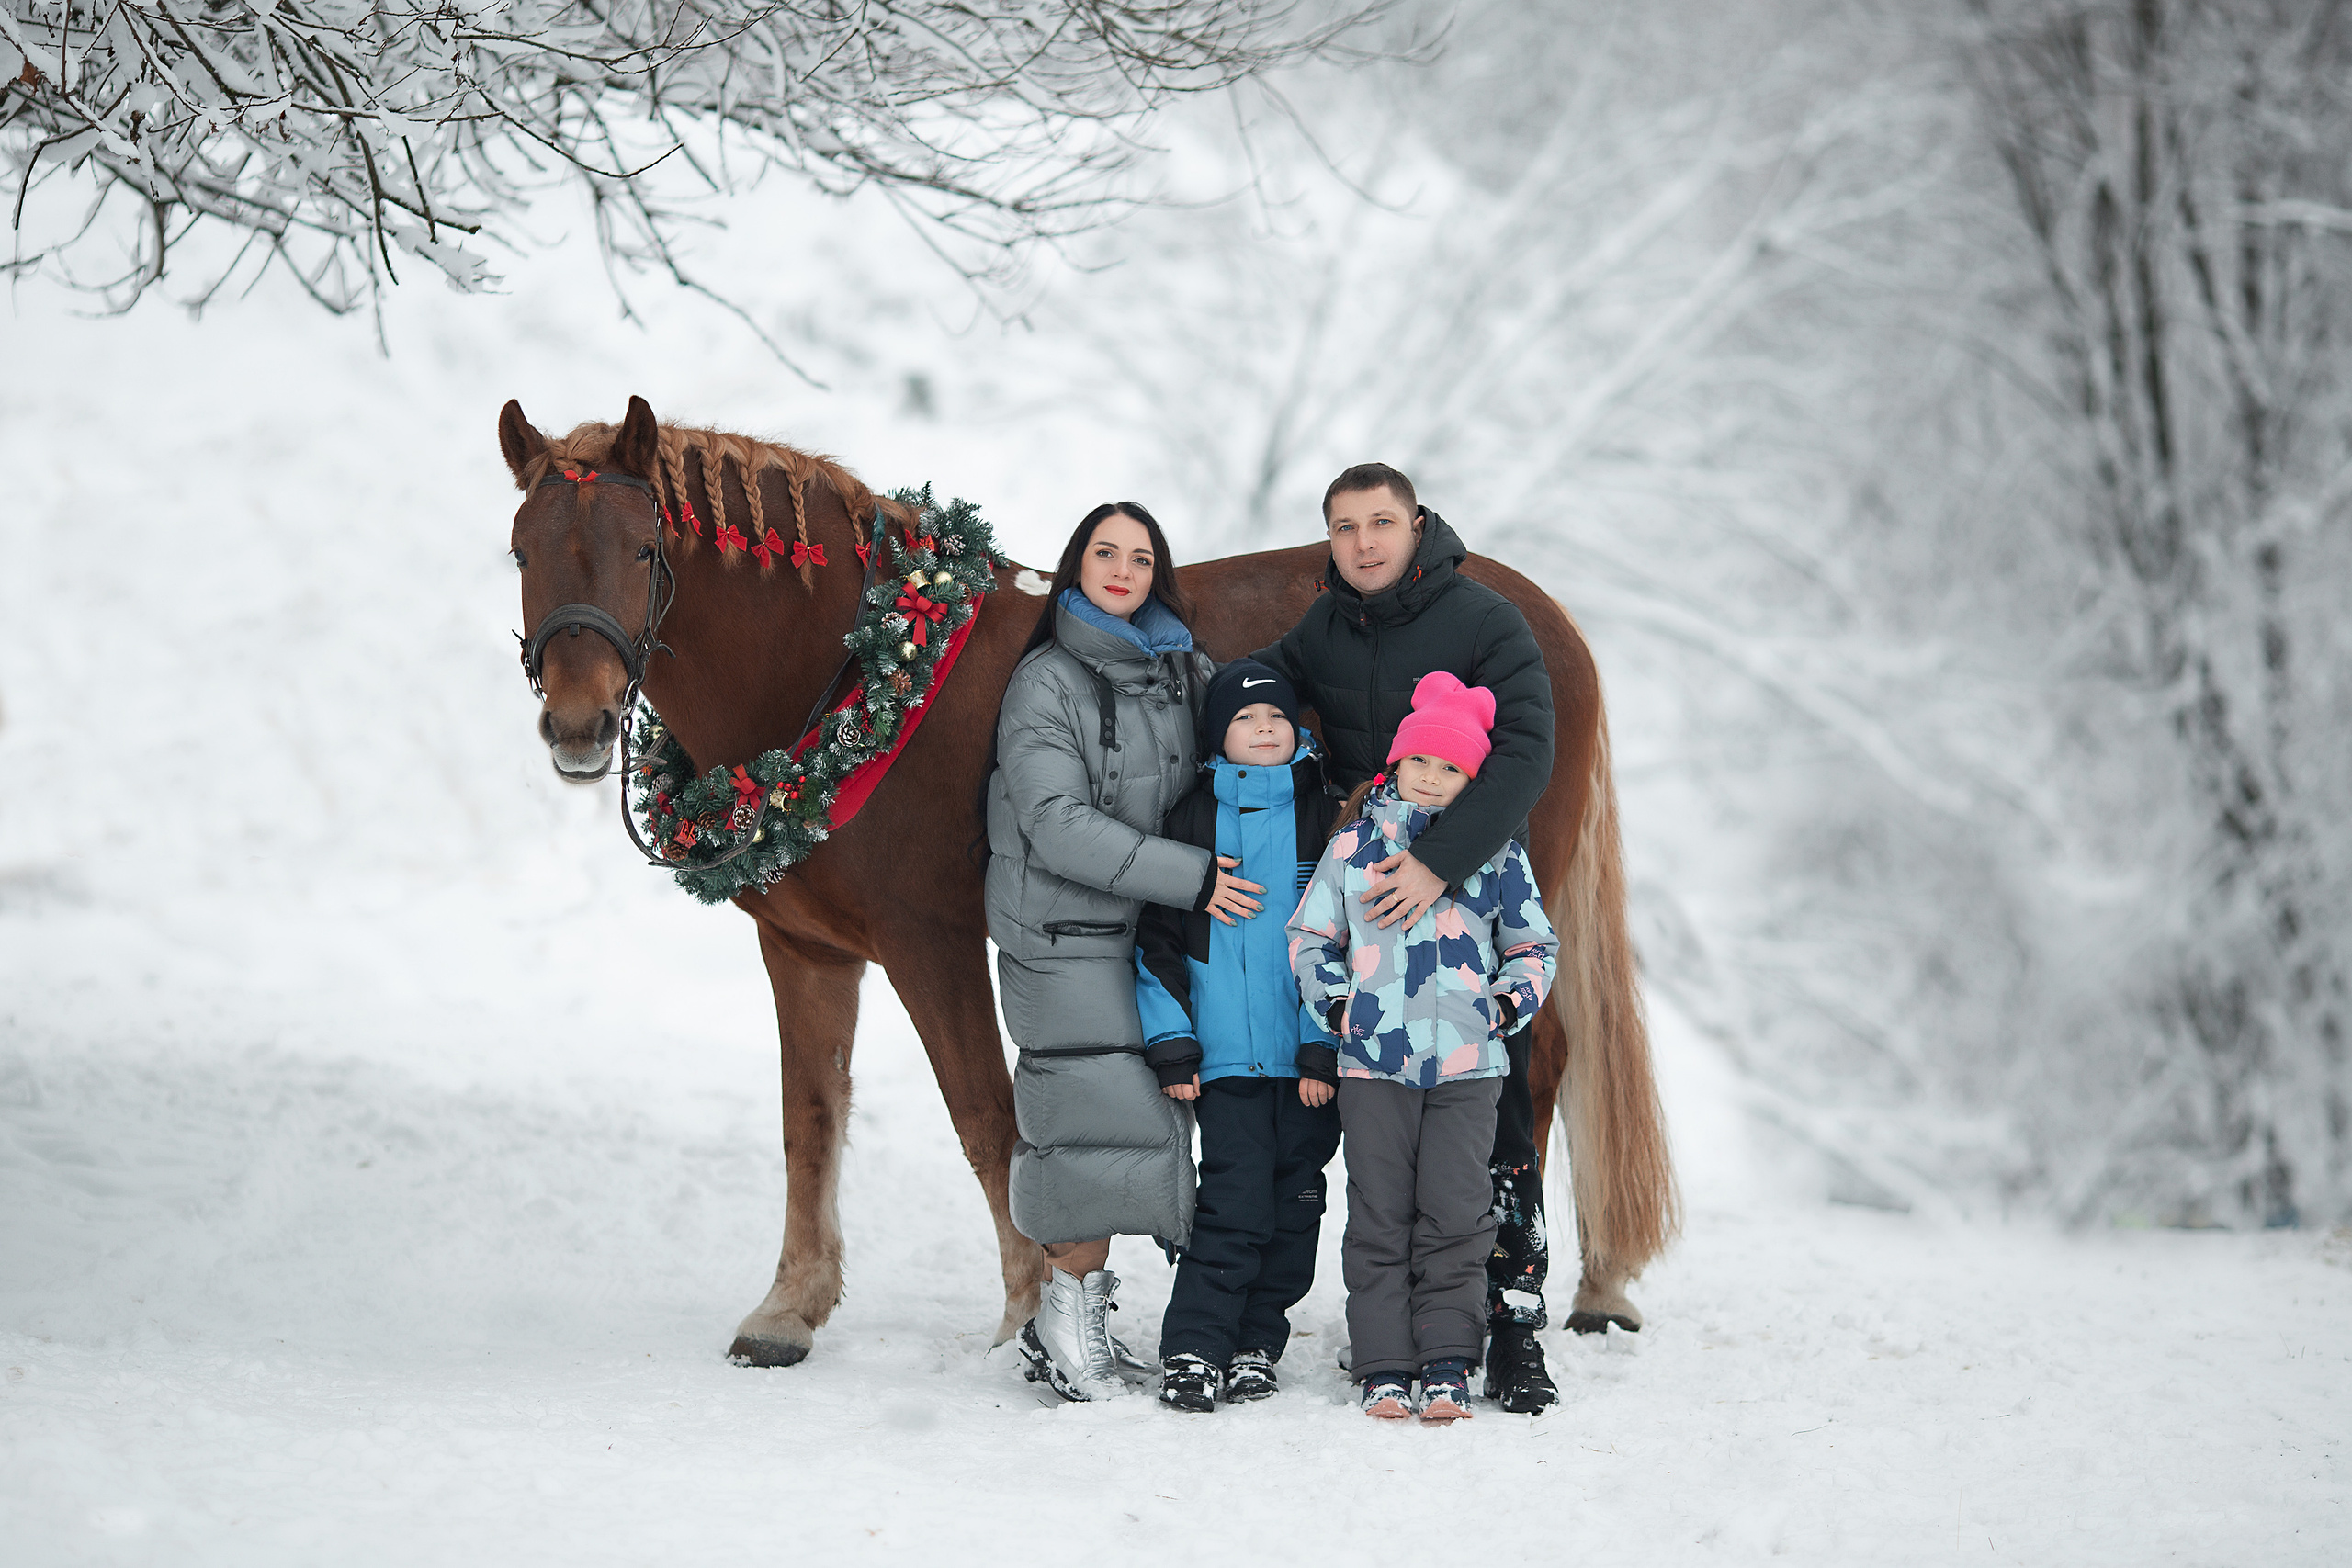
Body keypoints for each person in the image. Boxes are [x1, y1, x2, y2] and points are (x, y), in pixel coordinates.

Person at [1250, 462, 1565, 1413]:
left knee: (1487, 1141)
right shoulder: (1326, 623)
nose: (1364, 544)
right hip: (1372, 904)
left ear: (1416, 523)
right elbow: (1267, 680)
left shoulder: (1484, 621)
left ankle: (1511, 1320)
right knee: (1382, 1191)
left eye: (1380, 523)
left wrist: (1446, 864)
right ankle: (1387, 1343)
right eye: (1344, 528)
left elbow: (1527, 750)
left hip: (1462, 899)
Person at [987, 502, 1265, 1402]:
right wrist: (1195, 877)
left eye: (1139, 557)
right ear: (1078, 566)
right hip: (1061, 935)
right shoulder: (1047, 682)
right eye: (1105, 552)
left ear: (1156, 575)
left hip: (1146, 933)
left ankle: (1080, 1313)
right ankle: (1062, 1319)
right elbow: (1055, 823)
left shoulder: (1183, 671)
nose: (1121, 568)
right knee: (1083, 1126)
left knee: (1137, 1127)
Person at [1289, 672, 1559, 1421]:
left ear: (1472, 779)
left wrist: (1506, 1001)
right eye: (1422, 762)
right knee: (1379, 1213)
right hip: (1373, 1063)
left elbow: (1535, 943)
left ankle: (1446, 1362)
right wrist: (1340, 1006)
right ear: (1396, 764)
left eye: (1452, 768)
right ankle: (1381, 1364)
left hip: (1470, 1068)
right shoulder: (1353, 847)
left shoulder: (1495, 856)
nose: (1433, 777)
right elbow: (1312, 937)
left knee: (1459, 1213)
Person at [1133, 659, 1343, 1412]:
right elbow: (1156, 941)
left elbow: (1345, 939)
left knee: (1297, 1204)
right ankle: (1194, 1346)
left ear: (1299, 731)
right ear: (1218, 736)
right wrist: (1174, 1044)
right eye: (1246, 719)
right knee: (1231, 1201)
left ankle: (1257, 1341)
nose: (1265, 728)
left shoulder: (1325, 817)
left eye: (1278, 718)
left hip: (1309, 1068)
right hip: (1224, 1065)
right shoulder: (1191, 816)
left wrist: (1325, 1044)